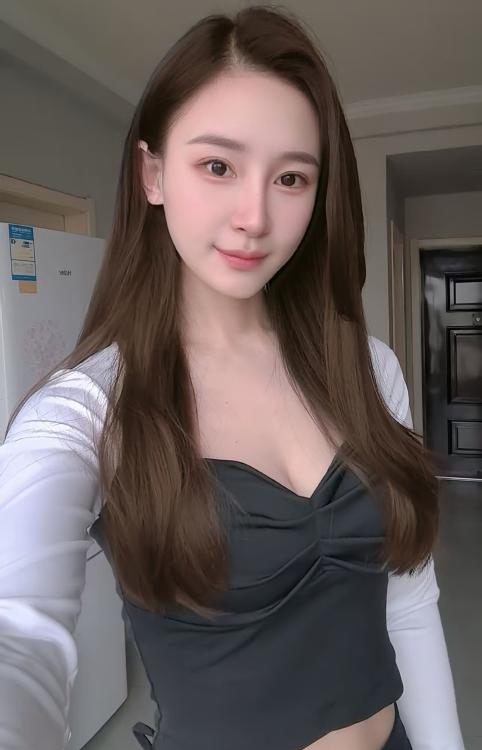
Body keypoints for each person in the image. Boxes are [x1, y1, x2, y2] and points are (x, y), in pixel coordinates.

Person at [0, 6, 465, 750]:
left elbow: (408, 602)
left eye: (291, 177)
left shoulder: (369, 368)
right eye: (218, 166)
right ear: (153, 174)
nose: (255, 216)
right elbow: (18, 635)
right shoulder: (86, 412)